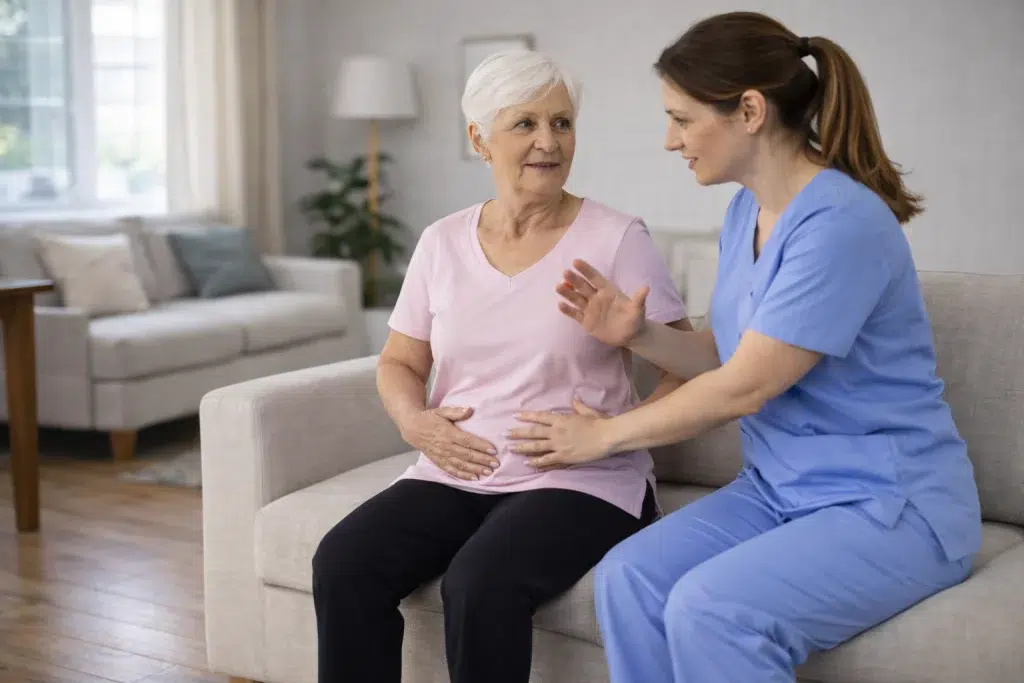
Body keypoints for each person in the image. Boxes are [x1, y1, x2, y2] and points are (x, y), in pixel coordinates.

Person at [504, 11, 982, 683]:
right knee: (628, 577)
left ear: (750, 111)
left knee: (712, 607)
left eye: (683, 118)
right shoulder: (744, 213)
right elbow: (731, 353)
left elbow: (746, 387)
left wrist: (603, 436)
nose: (670, 140)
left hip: (890, 506)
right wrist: (640, 335)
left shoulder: (842, 224)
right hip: (780, 490)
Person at [310, 49, 689, 683]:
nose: (549, 142)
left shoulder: (617, 238)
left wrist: (615, 437)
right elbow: (401, 360)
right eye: (526, 124)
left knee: (479, 582)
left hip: (580, 482)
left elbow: (685, 365)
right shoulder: (441, 242)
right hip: (455, 471)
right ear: (478, 139)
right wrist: (415, 422)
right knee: (344, 561)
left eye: (562, 123)